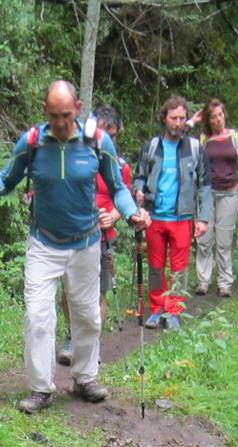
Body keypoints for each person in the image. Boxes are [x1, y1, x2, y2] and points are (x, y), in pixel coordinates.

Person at [0, 80, 147, 414]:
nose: (60, 122)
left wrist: (132, 214)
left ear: (78, 107)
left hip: (86, 242)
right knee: (38, 317)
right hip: (43, 243)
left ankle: (85, 379)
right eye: (54, 114)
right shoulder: (32, 142)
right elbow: (5, 180)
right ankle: (41, 389)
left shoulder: (98, 142)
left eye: (66, 114)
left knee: (87, 316)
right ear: (45, 110)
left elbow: (118, 187)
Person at [58, 104, 133, 366]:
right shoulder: (74, 156)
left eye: (111, 134)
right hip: (72, 232)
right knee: (68, 291)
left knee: (98, 293)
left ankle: (92, 343)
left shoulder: (120, 165)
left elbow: (124, 195)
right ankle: (72, 336)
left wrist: (113, 215)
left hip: (102, 234)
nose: (106, 138)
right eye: (102, 132)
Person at [135, 95, 211, 329]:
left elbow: (205, 185)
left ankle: (174, 311)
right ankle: (157, 309)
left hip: (183, 217)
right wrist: (138, 192)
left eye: (182, 118)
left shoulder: (195, 148)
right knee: (156, 266)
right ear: (164, 119)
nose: (178, 123)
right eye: (173, 118)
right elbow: (139, 177)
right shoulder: (152, 147)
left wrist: (204, 218)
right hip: (154, 216)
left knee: (179, 268)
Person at [188, 99, 238, 298]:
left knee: (224, 240)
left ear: (225, 114)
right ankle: (203, 281)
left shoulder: (235, 137)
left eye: (220, 115)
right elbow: (180, 142)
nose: (218, 120)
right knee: (204, 240)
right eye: (213, 117)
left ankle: (225, 283)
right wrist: (192, 121)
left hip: (229, 192)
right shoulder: (201, 139)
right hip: (206, 193)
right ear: (208, 120)